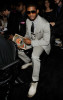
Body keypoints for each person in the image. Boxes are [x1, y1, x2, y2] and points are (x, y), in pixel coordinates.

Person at [18, 3, 51, 97]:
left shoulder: (45, 23)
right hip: (31, 41)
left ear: (37, 11)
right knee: (19, 50)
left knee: (35, 56)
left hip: (41, 43)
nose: (31, 14)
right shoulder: (28, 21)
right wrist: (23, 41)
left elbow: (46, 41)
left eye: (33, 11)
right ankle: (31, 62)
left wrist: (31, 43)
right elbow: (28, 34)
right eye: (28, 12)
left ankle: (34, 81)